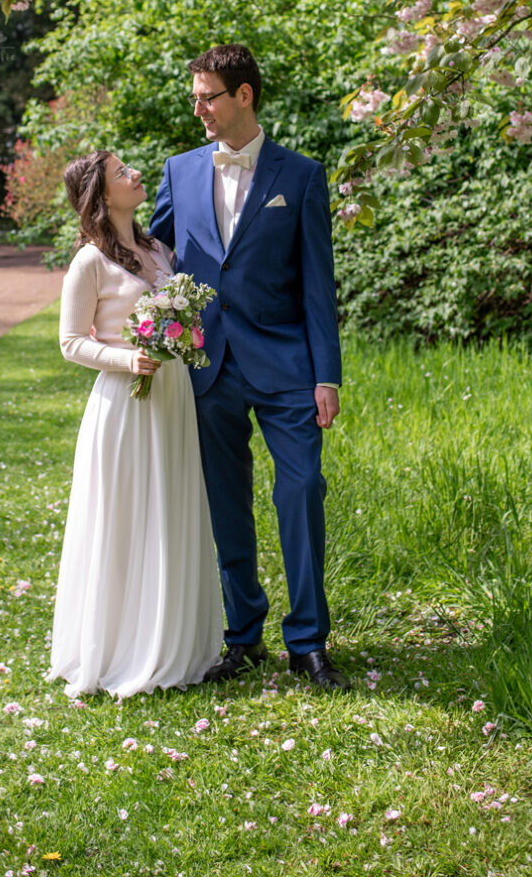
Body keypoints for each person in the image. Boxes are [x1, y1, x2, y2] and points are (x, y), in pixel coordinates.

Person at [149, 44, 348, 690]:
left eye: (208, 96)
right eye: (195, 96)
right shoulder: (178, 171)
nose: (198, 108)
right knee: (224, 504)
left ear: (244, 96)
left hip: (289, 363)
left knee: (303, 490)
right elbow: (153, 256)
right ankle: (243, 635)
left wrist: (327, 374)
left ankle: (309, 640)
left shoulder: (301, 176)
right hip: (208, 367)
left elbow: (319, 283)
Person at [47, 150, 222, 698]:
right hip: (124, 402)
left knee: (170, 510)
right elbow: (70, 342)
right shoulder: (89, 263)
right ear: (101, 195)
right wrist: (128, 360)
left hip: (172, 397)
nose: (136, 175)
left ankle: (175, 643)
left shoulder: (158, 249)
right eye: (123, 173)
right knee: (125, 519)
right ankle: (120, 648)